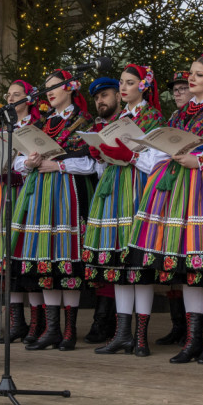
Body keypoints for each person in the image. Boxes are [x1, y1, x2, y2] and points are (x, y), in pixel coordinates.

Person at [130, 54, 203, 364]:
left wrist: (200, 160)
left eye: (199, 74)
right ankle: (193, 340)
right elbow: (161, 152)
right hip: (180, 193)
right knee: (189, 269)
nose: (192, 78)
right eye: (191, 73)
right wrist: (138, 154)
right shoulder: (180, 115)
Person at [9, 70, 96, 352]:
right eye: (47, 88)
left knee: (66, 260)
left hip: (68, 194)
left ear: (71, 88)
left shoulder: (84, 122)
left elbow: (93, 164)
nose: (50, 92)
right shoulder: (42, 124)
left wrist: (58, 165)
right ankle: (52, 328)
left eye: (55, 87)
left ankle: (68, 331)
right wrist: (30, 163)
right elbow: (16, 163)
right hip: (40, 196)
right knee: (45, 259)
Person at [84, 65, 165, 356]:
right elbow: (110, 155)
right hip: (114, 185)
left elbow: (157, 159)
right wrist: (101, 152)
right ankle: (122, 334)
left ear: (144, 86)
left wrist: (129, 155)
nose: (123, 88)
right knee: (119, 263)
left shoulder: (152, 116)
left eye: (130, 83)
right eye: (121, 82)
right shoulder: (118, 117)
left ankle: (140, 337)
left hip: (138, 187)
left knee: (137, 263)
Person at [0, 79, 43, 345]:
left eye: (16, 95)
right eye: (8, 95)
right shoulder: (3, 127)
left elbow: (34, 159)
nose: (10, 99)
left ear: (28, 99)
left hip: (24, 193)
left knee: (25, 256)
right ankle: (15, 321)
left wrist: (16, 163)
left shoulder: (36, 126)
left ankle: (37, 322)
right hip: (2, 192)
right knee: (7, 259)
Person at [83, 76, 123, 345]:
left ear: (119, 95)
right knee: (103, 257)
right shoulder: (95, 126)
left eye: (105, 95)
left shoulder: (130, 121)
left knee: (121, 255)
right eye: (97, 97)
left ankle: (117, 323)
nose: (100, 100)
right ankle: (103, 320)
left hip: (129, 191)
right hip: (102, 192)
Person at [156, 69, 192, 345]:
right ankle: (178, 324)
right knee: (172, 260)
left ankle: (192, 331)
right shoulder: (173, 119)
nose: (178, 93)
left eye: (183, 88)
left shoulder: (202, 116)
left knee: (189, 257)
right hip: (171, 191)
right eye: (175, 89)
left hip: (193, 191)